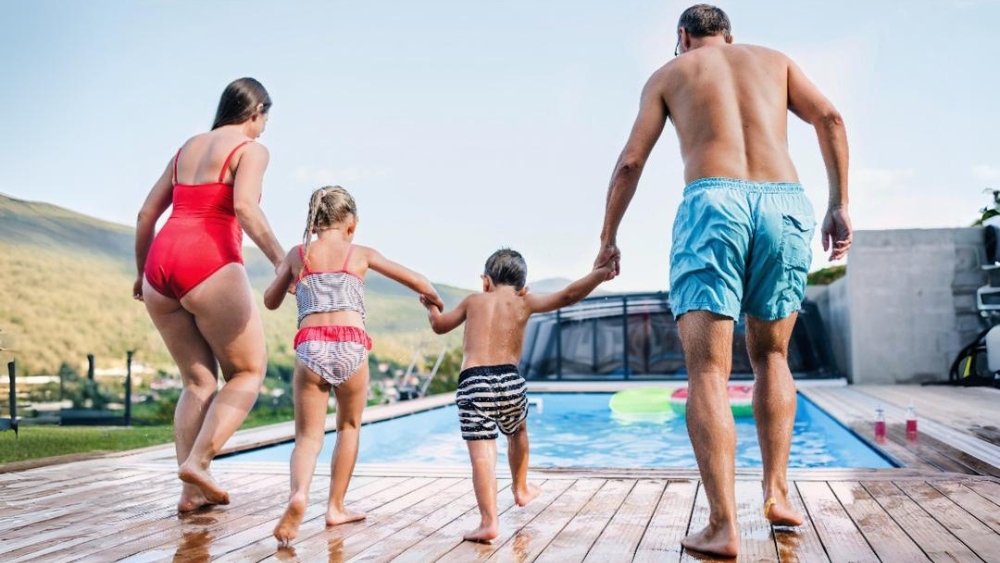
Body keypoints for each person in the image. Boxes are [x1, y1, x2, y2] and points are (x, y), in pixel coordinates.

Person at [594, 4, 853, 557]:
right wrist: (839, 205)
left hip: (714, 201)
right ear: (730, 36)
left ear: (683, 37)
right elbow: (830, 117)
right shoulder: (775, 61)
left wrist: (608, 237)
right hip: (786, 203)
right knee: (773, 358)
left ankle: (721, 525)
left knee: (708, 370)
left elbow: (630, 163)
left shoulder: (670, 74)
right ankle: (777, 492)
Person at [135, 77, 285, 513]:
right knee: (247, 372)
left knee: (198, 381)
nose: (263, 128)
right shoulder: (251, 149)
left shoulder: (188, 148)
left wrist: (140, 270)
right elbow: (244, 208)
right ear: (255, 112)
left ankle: (190, 491)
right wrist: (280, 260)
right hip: (210, 259)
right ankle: (199, 463)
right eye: (264, 119)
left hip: (160, 265)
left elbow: (147, 213)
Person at [267, 186, 444, 545]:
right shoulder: (359, 253)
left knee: (307, 437)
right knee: (348, 427)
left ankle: (299, 494)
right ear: (352, 224)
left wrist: (290, 280)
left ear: (314, 223)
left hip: (311, 345)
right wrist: (433, 301)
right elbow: (420, 282)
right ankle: (335, 507)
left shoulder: (298, 254)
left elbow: (271, 301)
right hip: (351, 344)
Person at [422, 249, 614, 542]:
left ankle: (488, 522)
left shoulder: (473, 301)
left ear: (485, 282)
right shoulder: (525, 301)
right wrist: (600, 274)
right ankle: (521, 488)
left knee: (483, 455)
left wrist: (431, 306)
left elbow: (439, 326)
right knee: (518, 432)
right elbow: (568, 295)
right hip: (511, 379)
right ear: (523, 286)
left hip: (474, 383)